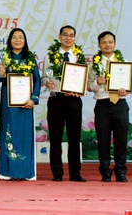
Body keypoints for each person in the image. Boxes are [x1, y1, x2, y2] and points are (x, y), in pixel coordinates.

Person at [0, 28, 41, 180]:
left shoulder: (30, 58)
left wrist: (33, 98)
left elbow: (37, 80)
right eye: (14, 37)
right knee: (9, 132)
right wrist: (0, 73)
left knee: (25, 134)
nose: (17, 40)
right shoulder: (3, 57)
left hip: (26, 103)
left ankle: (25, 172)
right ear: (10, 40)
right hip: (9, 103)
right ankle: (8, 172)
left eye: (21, 37)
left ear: (25, 41)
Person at [41, 24, 86, 182]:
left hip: (74, 100)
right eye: (65, 35)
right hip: (57, 99)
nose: (68, 38)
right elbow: (45, 76)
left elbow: (83, 77)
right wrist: (47, 83)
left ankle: (75, 173)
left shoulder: (78, 56)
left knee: (74, 137)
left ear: (74, 38)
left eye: (71, 35)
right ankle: (57, 173)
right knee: (56, 137)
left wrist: (80, 89)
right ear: (59, 37)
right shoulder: (50, 56)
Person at [87, 31, 130, 182]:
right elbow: (88, 87)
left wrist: (126, 91)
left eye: (110, 42)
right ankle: (105, 171)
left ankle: (121, 171)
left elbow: (131, 84)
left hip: (120, 103)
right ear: (99, 45)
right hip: (102, 104)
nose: (107, 45)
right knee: (103, 139)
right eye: (104, 42)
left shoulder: (123, 62)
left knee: (121, 139)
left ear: (115, 44)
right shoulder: (93, 64)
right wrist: (97, 83)